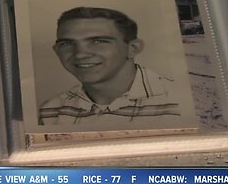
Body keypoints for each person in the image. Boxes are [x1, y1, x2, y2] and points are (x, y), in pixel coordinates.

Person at [39, 7, 180, 125]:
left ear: (133, 48)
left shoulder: (180, 101)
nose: (80, 54)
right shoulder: (50, 111)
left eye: (98, 41)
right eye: (67, 44)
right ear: (57, 51)